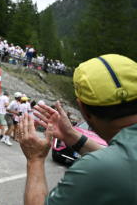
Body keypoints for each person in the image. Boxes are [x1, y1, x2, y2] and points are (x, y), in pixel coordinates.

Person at [20, 54, 137, 205]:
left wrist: (35, 159)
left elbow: (115, 164)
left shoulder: (94, 170)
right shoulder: (121, 159)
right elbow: (123, 161)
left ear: (83, 108)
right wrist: (71, 136)